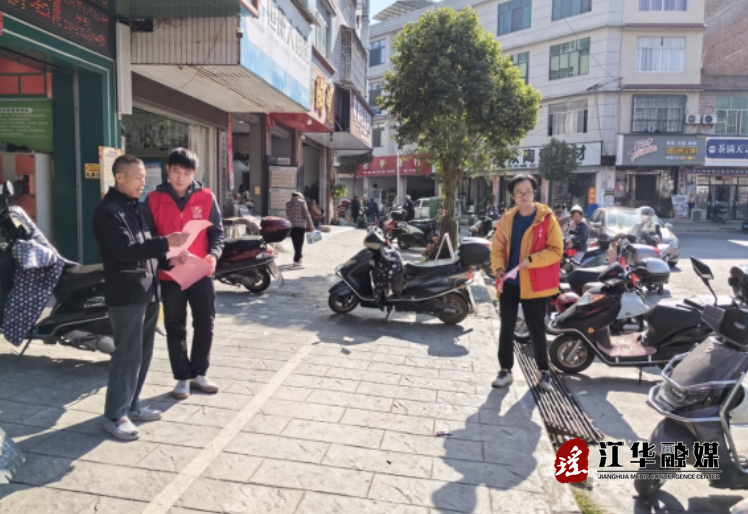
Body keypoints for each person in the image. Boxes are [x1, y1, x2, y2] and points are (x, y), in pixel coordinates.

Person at [93, 155, 190, 440]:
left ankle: (132, 404)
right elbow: (124, 250)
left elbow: (146, 249)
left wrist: (169, 259)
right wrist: (166, 242)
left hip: (149, 290)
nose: (142, 184)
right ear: (119, 177)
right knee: (127, 355)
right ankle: (115, 415)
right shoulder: (108, 211)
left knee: (143, 353)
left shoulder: (135, 208)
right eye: (137, 178)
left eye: (144, 179)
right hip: (126, 294)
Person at [143, 148, 225, 401]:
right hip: (171, 275)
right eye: (176, 171)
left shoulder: (206, 197)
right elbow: (146, 239)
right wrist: (166, 258)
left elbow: (217, 233)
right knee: (175, 325)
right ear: (168, 170)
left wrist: (213, 256)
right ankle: (181, 376)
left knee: (205, 323)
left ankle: (199, 373)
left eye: (187, 173)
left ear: (194, 173)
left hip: (201, 272)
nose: (180, 178)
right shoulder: (153, 199)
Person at [490, 174, 563, 392]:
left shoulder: (547, 219)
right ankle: (505, 370)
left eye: (528, 191)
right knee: (506, 328)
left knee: (536, 328)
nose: (525, 196)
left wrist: (531, 260)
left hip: (535, 284)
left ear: (534, 193)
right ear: (513, 196)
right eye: (520, 193)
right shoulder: (507, 219)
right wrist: (499, 269)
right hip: (510, 283)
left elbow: (556, 251)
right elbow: (497, 249)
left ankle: (543, 371)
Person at [286, 191, 314, 266]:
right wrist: (311, 225)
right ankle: (296, 260)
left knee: (295, 244)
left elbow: (287, 215)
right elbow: (307, 215)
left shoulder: (287, 203)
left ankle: (299, 258)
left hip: (292, 226)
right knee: (300, 244)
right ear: (299, 196)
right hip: (301, 226)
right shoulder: (302, 202)